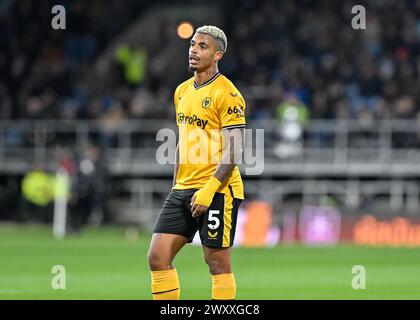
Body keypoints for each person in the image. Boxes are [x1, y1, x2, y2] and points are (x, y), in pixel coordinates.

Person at [147, 25, 246, 300]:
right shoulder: (181, 91)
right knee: (157, 256)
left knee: (216, 262)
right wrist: (176, 186)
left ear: (218, 55)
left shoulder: (227, 93)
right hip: (183, 189)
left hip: (218, 190)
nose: (193, 50)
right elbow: (183, 142)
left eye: (202, 46)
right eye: (192, 44)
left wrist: (210, 187)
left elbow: (235, 147)